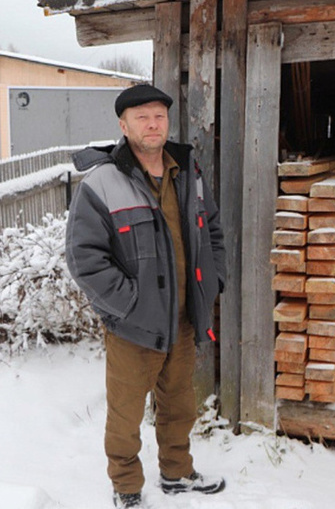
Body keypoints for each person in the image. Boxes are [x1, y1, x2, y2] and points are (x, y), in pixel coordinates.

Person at [65, 84, 227, 509]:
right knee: (125, 415)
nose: (152, 124)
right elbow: (85, 258)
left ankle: (176, 473)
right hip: (134, 325)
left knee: (180, 405)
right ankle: (126, 486)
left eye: (159, 116)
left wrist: (214, 280)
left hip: (183, 318)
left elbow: (211, 228)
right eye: (142, 117)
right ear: (123, 125)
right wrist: (129, 304)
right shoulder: (102, 182)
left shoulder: (187, 171)